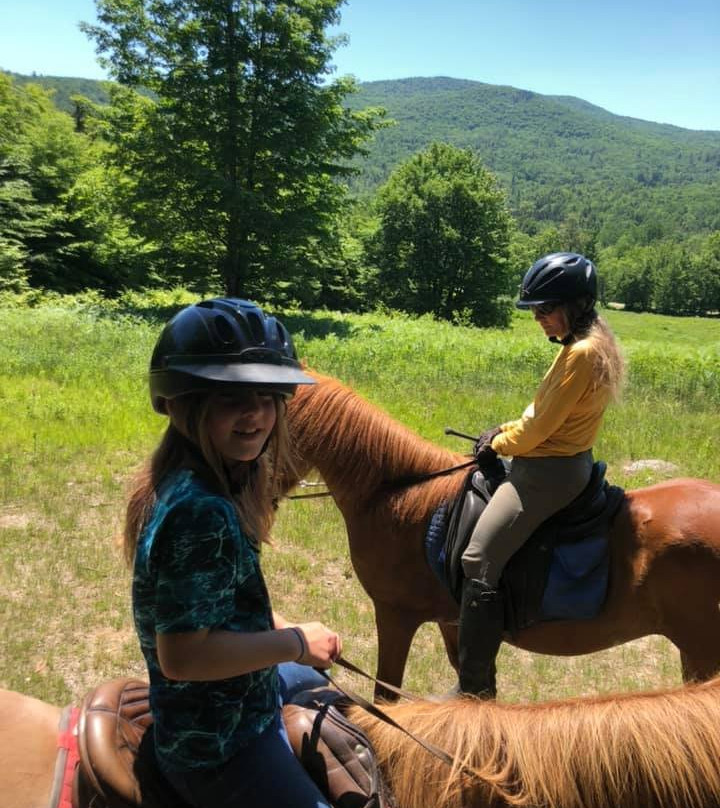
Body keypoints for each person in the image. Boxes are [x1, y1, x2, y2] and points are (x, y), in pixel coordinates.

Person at [124, 297, 342, 807]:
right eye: (230, 398)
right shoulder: (200, 510)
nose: (255, 414)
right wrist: (291, 641)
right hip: (219, 742)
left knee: (314, 680)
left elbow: (219, 604)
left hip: (247, 699)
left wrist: (287, 636)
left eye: (268, 397)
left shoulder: (204, 482)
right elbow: (182, 655)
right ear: (180, 403)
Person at [458, 252, 625, 697]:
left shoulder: (581, 354)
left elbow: (539, 430)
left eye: (544, 308)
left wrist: (497, 443)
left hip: (547, 475)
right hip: (552, 461)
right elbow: (538, 416)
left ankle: (475, 691)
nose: (537, 318)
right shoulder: (581, 344)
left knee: (477, 559)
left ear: (573, 305)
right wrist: (504, 431)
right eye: (534, 310)